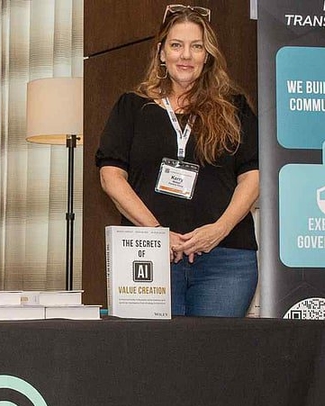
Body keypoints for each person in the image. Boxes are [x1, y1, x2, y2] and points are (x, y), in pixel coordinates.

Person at [96, 4, 259, 317]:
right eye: (176, 45)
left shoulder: (234, 108)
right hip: (147, 255)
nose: (186, 55)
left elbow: (253, 176)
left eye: (196, 46)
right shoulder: (132, 107)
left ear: (207, 56)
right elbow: (111, 177)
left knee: (215, 348)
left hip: (225, 258)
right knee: (156, 348)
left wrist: (220, 229)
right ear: (161, 53)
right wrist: (158, 234)